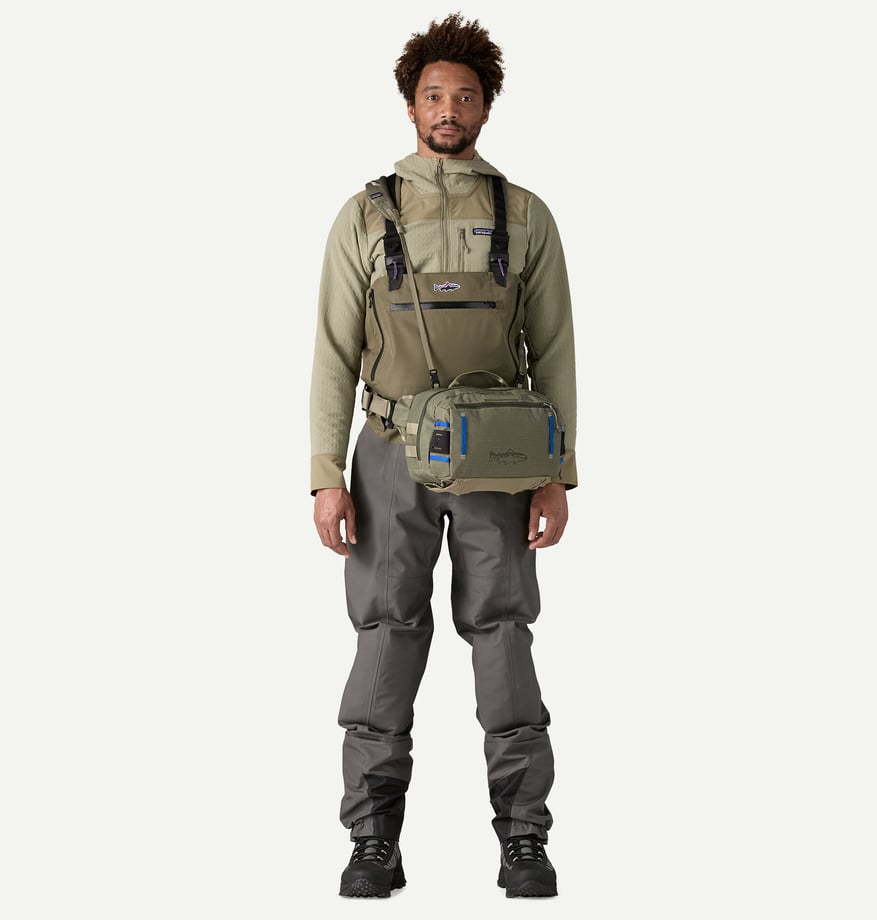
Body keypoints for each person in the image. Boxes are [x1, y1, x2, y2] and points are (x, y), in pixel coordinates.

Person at [309, 12, 578, 899]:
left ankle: (524, 836)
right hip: (388, 455)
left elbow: (555, 351)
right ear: (411, 106)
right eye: (434, 95)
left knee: (503, 633)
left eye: (465, 95)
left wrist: (559, 473)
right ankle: (373, 839)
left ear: (487, 107)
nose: (449, 109)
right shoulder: (364, 213)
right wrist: (324, 477)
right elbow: (333, 353)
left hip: (502, 463)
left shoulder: (525, 214)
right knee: (386, 633)